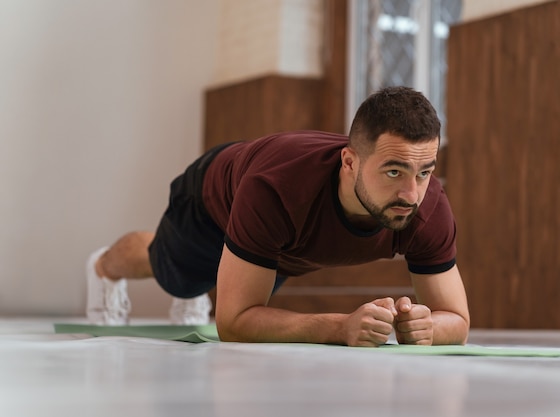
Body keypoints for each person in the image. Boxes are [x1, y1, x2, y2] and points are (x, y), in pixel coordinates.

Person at [86, 86, 470, 347]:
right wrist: (339, 326)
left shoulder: (427, 205)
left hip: (287, 239)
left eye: (423, 172)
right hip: (212, 201)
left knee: (236, 278)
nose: (411, 193)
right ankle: (104, 267)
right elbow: (233, 323)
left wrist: (426, 327)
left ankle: (210, 278)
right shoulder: (276, 191)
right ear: (349, 162)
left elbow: (457, 318)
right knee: (177, 276)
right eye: (393, 172)